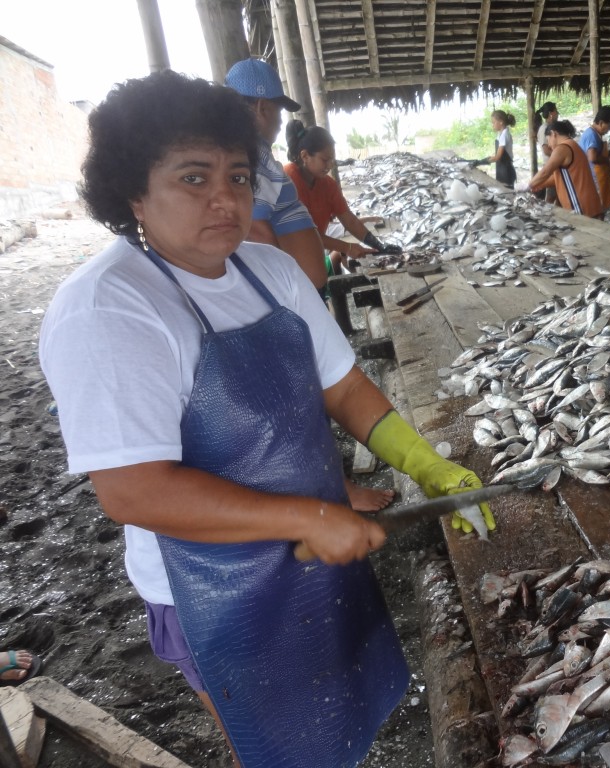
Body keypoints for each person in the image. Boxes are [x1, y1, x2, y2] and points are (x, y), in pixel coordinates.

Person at [39, 70, 494, 768]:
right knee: (278, 745)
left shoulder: (267, 271)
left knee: (344, 712)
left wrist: (423, 462)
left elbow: (343, 389)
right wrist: (310, 519)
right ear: (133, 190)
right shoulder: (112, 307)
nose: (225, 200)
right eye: (194, 178)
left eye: (239, 177)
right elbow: (132, 491)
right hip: (214, 588)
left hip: (315, 545)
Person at [223, 58, 328, 292]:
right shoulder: (251, 155)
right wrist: (283, 297)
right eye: (279, 111)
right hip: (289, 297)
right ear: (263, 108)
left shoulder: (248, 150)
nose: (281, 122)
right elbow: (253, 229)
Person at [283, 120, 400, 275]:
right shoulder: (288, 181)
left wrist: (378, 245)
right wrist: (347, 247)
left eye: (332, 159)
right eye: (325, 160)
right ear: (305, 156)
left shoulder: (328, 185)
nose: (330, 165)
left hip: (313, 254)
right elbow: (305, 235)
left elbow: (349, 220)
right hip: (288, 262)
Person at [525, 121, 603, 219]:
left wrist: (528, 186)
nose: (548, 145)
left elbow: (545, 171)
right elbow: (557, 178)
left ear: (554, 134)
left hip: (581, 206)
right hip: (589, 204)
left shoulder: (563, 148)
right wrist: (539, 184)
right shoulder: (572, 145)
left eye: (548, 139)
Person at [578, 106, 610, 214]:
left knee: (600, 209)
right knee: (597, 211)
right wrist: (609, 161)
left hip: (598, 177)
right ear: (601, 123)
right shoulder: (592, 136)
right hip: (595, 179)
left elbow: (600, 151)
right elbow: (593, 157)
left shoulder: (595, 133)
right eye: (609, 125)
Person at [478, 109, 516, 187]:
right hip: (502, 168)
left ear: (501, 122)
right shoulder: (501, 133)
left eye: (494, 122)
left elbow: (497, 157)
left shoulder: (504, 135)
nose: (493, 125)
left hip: (506, 171)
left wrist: (481, 162)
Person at [534, 102, 559, 203]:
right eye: (556, 111)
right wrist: (559, 156)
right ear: (551, 114)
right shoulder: (544, 129)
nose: (557, 114)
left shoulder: (550, 127)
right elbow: (546, 150)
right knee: (551, 196)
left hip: (554, 164)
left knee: (558, 194)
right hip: (550, 165)